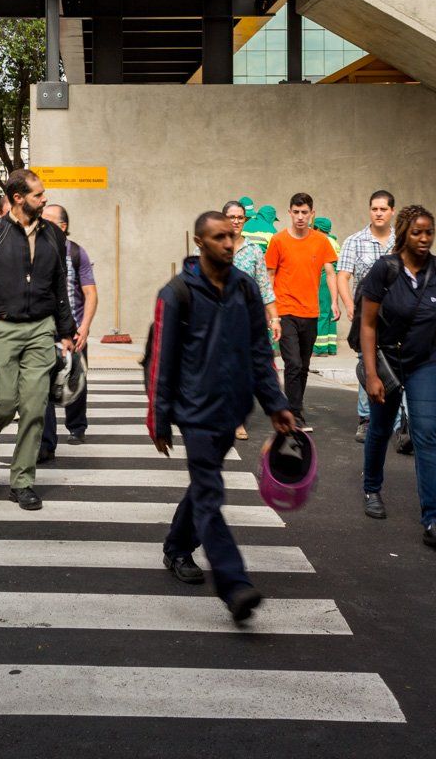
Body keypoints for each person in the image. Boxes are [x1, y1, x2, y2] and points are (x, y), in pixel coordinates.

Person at [149, 210, 295, 624]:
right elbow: (161, 359)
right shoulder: (176, 293)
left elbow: (259, 351)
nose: (229, 244)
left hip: (232, 408)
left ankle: (177, 547)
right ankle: (235, 585)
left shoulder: (245, 288)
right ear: (199, 242)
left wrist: (276, 403)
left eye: (230, 236)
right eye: (218, 238)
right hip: (194, 412)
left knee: (203, 485)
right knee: (210, 494)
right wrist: (159, 418)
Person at [0, 168, 74, 511]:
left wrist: (67, 331)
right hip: (2, 328)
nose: (44, 199)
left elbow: (60, 285)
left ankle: (22, 482)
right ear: (18, 198)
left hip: (41, 329)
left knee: (34, 408)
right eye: (38, 195)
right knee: (2, 403)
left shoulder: (53, 235)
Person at [358, 204, 436, 548]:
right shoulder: (385, 270)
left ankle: (432, 519)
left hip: (425, 362)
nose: (424, 238)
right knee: (380, 427)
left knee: (426, 435)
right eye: (417, 232)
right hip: (388, 362)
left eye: (429, 232)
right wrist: (371, 374)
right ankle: (372, 488)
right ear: (404, 233)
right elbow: (368, 325)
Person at [265, 192, 339, 431]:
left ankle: (293, 406)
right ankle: (294, 415)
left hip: (310, 313)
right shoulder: (278, 241)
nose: (300, 217)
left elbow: (330, 273)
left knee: (304, 366)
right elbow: (269, 276)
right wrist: (271, 313)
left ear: (311, 214)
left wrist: (335, 302)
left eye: (304, 212)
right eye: (295, 212)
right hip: (285, 310)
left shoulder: (321, 241)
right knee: (294, 363)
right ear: (289, 213)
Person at [337, 190, 404, 446]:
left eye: (383, 209)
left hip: (397, 316)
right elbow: (343, 276)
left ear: (392, 211)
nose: (378, 213)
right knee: (367, 363)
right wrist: (349, 305)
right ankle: (366, 419)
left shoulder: (402, 241)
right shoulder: (354, 241)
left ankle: (399, 424)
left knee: (397, 364)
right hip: (367, 314)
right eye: (374, 209)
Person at [38, 202, 98, 461]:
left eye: (48, 219)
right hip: (42, 330)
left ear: (62, 226)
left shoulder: (76, 253)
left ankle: (77, 426)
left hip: (73, 330)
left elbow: (90, 293)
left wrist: (84, 327)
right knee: (41, 385)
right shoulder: (35, 249)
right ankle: (46, 443)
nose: (41, 222)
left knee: (75, 378)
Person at [223, 199, 278, 442]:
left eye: (240, 217)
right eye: (231, 217)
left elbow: (264, 288)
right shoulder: (211, 247)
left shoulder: (254, 251)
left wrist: (274, 318)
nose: (236, 221)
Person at [313, 216, 342, 357]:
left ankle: (320, 348)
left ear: (318, 229)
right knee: (332, 311)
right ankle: (331, 346)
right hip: (335, 278)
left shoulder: (321, 240)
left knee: (322, 312)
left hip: (324, 277)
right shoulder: (334, 242)